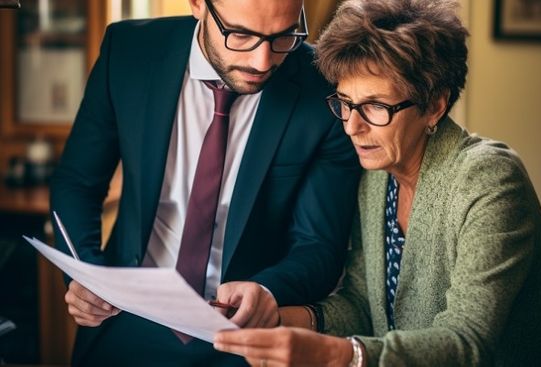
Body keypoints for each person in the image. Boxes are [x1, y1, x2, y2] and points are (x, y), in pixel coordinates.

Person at [213, 0, 541, 366]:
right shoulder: (377, 175)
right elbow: (360, 302)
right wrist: (275, 317)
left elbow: (467, 341)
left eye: (376, 107)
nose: (352, 127)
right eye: (345, 103)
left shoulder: (489, 180)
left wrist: (338, 355)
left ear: (434, 105)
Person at [49, 0, 360, 366]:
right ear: (198, 4)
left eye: (283, 36)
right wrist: (83, 272)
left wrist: (268, 290)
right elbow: (76, 182)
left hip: (244, 339)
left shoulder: (325, 88)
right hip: (121, 321)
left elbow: (319, 245)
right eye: (241, 34)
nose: (262, 62)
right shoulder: (129, 51)